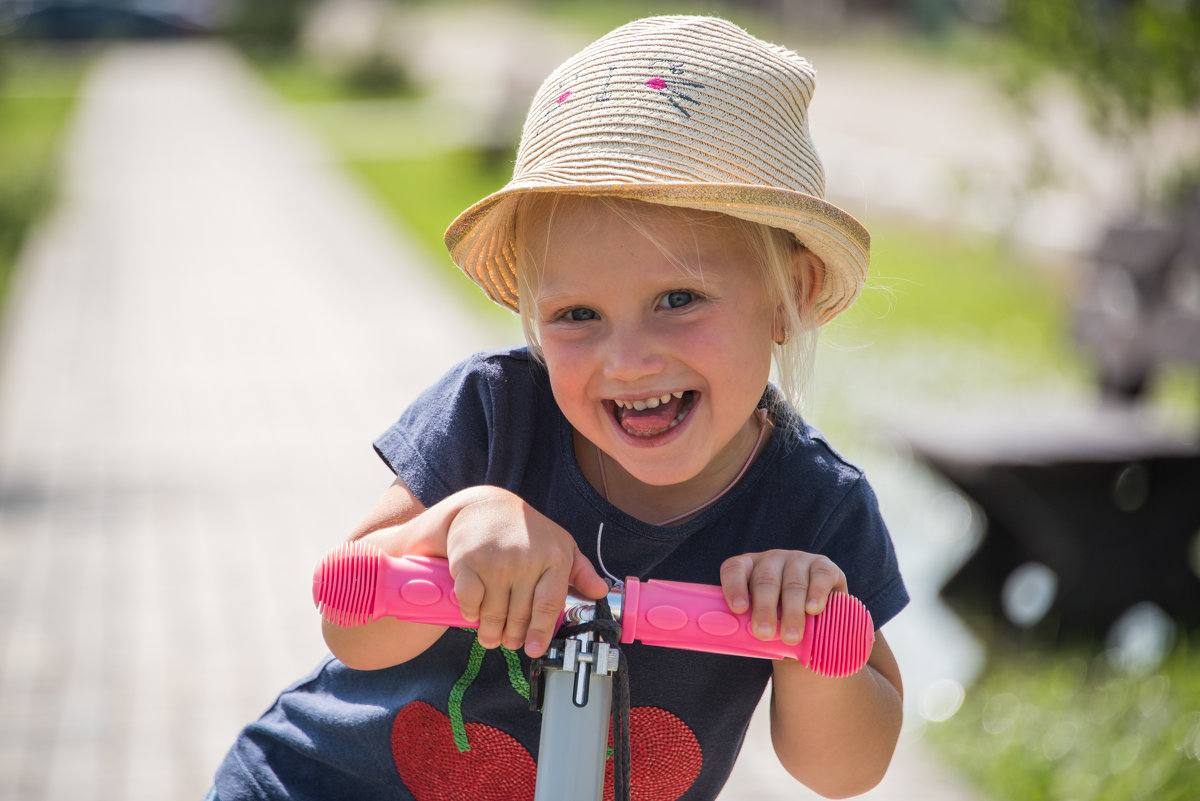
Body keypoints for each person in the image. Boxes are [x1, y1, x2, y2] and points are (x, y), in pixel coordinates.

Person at [210, 14, 907, 801]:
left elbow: (847, 770)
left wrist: (813, 641)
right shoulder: (498, 413)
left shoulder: (810, 505)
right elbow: (350, 616)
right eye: (577, 315)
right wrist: (455, 521)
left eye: (678, 299)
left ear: (794, 296)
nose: (626, 358)